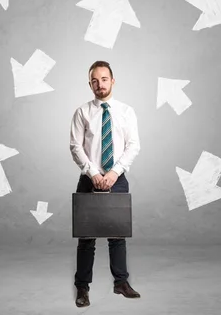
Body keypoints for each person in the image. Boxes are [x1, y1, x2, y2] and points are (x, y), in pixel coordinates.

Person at [69, 60, 141, 307]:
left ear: (113, 80)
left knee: (117, 234)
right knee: (86, 238)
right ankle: (82, 288)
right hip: (89, 179)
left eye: (104, 79)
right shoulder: (82, 112)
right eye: (95, 80)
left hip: (117, 178)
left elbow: (133, 145)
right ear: (90, 84)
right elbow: (75, 146)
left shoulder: (126, 111)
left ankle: (121, 283)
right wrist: (93, 173)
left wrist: (114, 173)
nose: (100, 84)